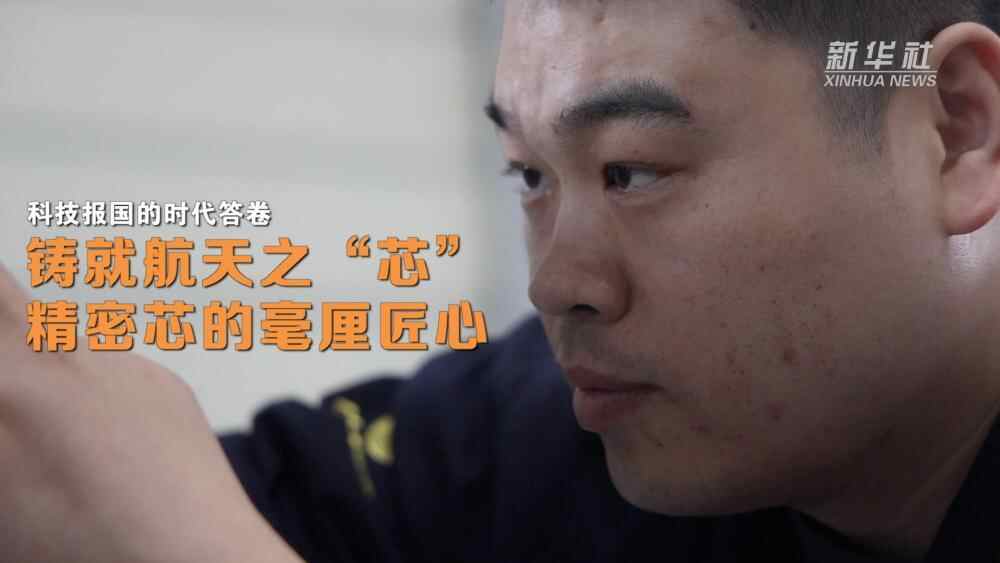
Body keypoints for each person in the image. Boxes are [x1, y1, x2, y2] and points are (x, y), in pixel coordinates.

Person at [4, 0, 1000, 561]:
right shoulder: (555, 428)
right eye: (529, 175)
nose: (556, 283)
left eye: (632, 170)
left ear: (954, 129)